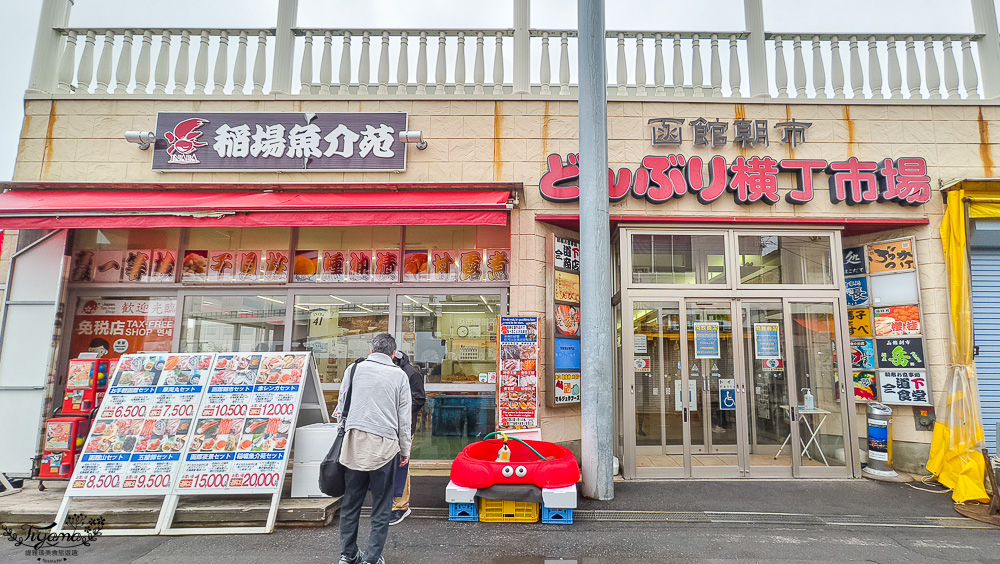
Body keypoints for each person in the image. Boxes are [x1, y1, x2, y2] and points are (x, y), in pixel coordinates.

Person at [333, 333, 411, 564]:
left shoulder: (353, 370)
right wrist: (405, 450)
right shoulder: (399, 375)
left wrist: (341, 436)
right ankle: (372, 558)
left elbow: (341, 405)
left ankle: (348, 555)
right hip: (385, 448)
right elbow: (404, 419)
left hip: (354, 445)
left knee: (350, 503)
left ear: (371, 350)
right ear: (393, 354)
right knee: (382, 506)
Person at [388, 350, 425, 525]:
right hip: (387, 426)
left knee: (401, 464)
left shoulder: (410, 372)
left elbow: (420, 398)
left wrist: (400, 410)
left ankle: (401, 506)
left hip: (403, 426)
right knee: (390, 464)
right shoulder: (388, 370)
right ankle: (391, 502)